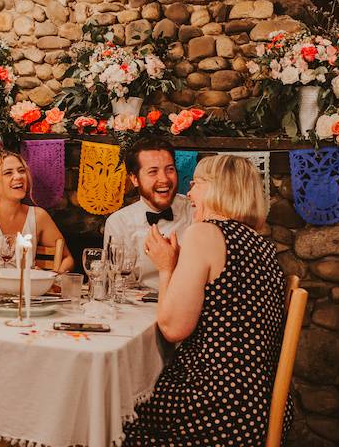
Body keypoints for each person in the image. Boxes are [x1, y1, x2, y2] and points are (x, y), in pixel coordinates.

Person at [122, 154, 291, 445]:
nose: (189, 193)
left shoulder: (205, 233)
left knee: (113, 405)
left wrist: (165, 268)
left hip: (215, 403)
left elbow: (173, 329)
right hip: (258, 404)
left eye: (196, 183)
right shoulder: (262, 245)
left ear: (215, 188)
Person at [103, 138, 193, 290]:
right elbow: (117, 282)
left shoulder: (194, 210)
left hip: (190, 302)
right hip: (138, 305)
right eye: (153, 172)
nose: (164, 179)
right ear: (134, 179)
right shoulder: (119, 222)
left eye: (170, 169)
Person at [0, 150, 73, 272]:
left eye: (21, 171)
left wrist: (51, 277)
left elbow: (67, 258)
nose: (18, 176)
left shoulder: (38, 216)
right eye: (8, 173)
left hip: (24, 290)